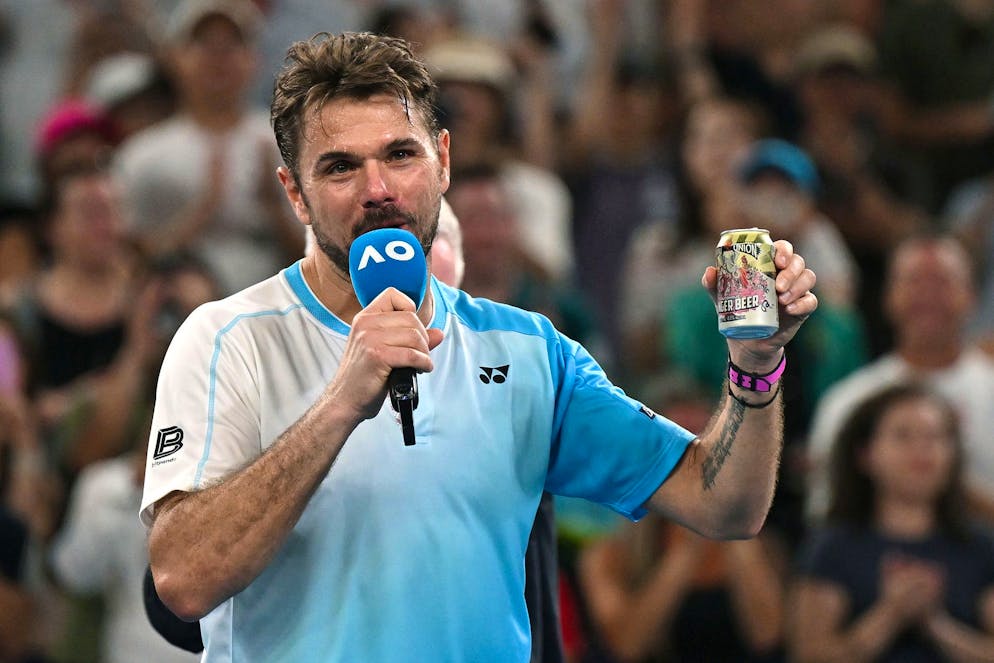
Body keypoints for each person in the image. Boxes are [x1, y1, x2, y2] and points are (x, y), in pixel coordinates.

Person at [140, 32, 817, 661]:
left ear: (443, 160)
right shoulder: (229, 338)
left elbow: (724, 502)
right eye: (341, 167)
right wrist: (339, 405)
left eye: (400, 154)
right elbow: (182, 578)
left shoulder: (529, 351)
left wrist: (754, 369)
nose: (378, 190)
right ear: (294, 193)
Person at [790, 384, 994, 662]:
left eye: (936, 436)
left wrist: (938, 626)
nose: (923, 449)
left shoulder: (980, 546)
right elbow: (810, 655)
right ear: (866, 455)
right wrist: (890, 614)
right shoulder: (832, 547)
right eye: (903, 436)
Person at [805, 234, 994, 524]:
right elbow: (826, 517)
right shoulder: (849, 402)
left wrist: (948, 492)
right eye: (914, 281)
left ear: (972, 296)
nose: (928, 295)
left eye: (942, 281)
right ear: (888, 296)